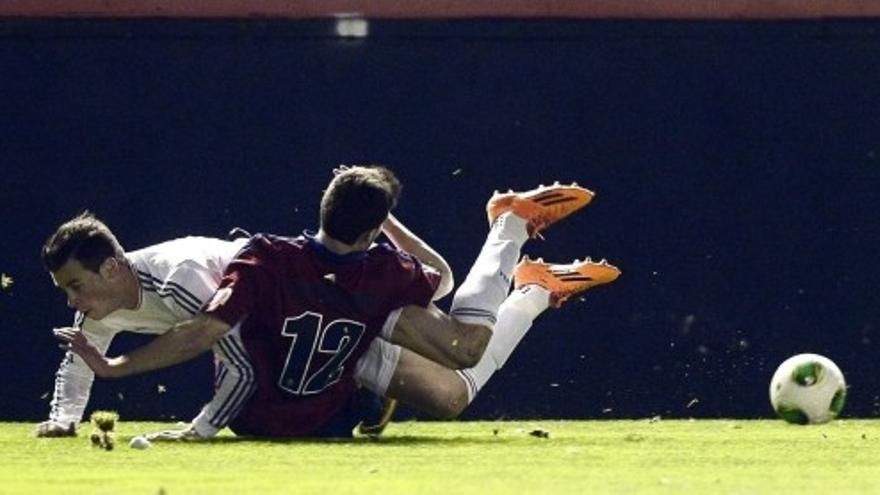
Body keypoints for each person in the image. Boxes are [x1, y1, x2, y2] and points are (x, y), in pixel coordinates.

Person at [49, 166, 619, 438]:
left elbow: (218, 340)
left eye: (75, 285)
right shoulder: (104, 303)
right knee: (451, 394)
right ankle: (533, 285)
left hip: (325, 321)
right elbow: (83, 354)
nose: (74, 301)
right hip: (316, 326)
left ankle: (515, 245)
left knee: (458, 370)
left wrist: (199, 427)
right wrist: (63, 420)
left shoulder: (197, 274)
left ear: (113, 266)